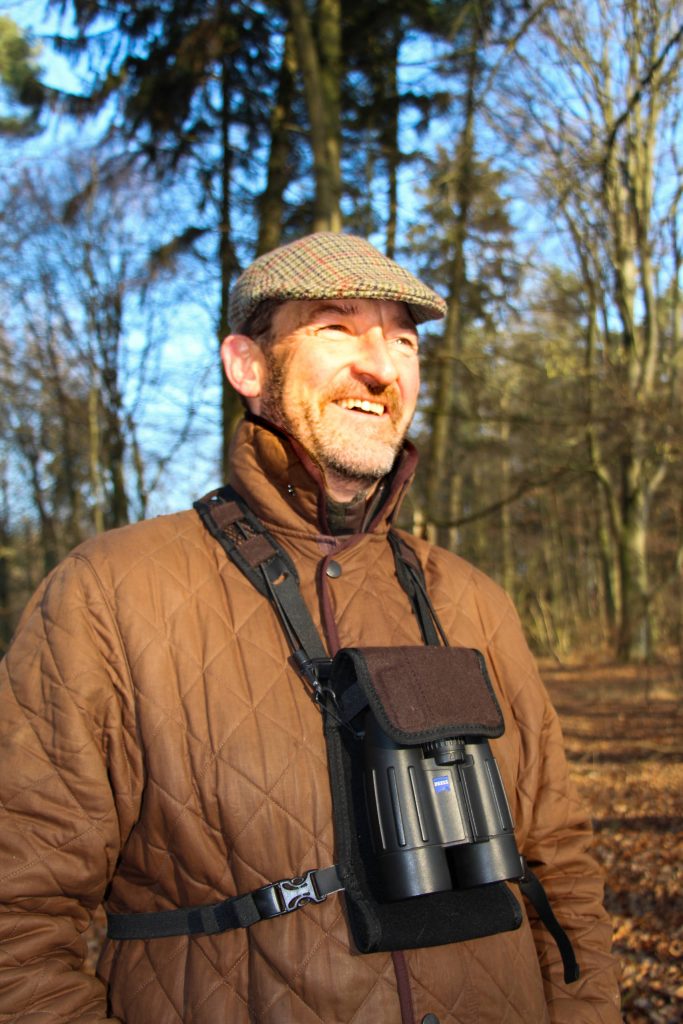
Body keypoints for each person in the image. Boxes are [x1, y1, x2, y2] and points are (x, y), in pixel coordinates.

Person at [0, 232, 620, 1023]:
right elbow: (18, 920)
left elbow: (560, 866)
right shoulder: (111, 595)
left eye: (402, 340)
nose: (382, 367)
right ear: (247, 367)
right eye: (336, 328)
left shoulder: (472, 600)